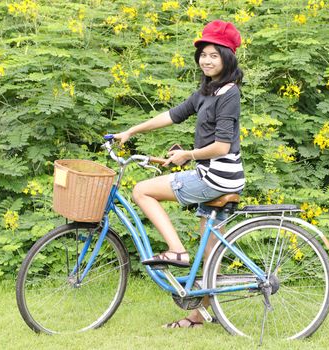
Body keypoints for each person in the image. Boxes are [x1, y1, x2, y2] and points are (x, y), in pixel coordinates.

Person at [113, 20, 245, 328]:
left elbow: (222, 146)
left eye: (214, 54)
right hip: (217, 174)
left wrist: (188, 155)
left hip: (216, 176)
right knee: (209, 253)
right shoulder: (207, 92)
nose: (207, 60)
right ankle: (196, 318)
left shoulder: (229, 94)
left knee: (142, 191)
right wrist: (132, 130)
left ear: (228, 58)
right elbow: (172, 115)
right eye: (203, 54)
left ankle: (176, 251)